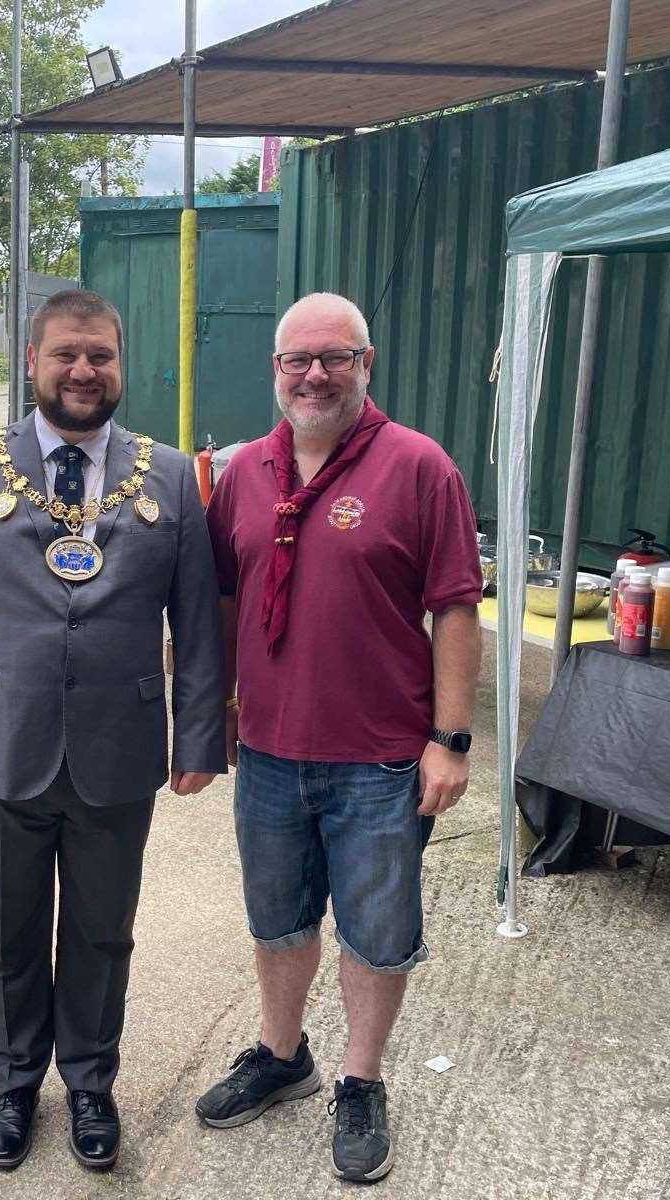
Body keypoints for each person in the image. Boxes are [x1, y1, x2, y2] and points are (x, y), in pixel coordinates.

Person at [0, 289, 224, 1172]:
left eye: (101, 357)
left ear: (121, 364)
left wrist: (199, 739)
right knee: (6, 930)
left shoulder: (170, 474)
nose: (84, 372)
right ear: (32, 361)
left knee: (103, 931)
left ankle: (89, 1083)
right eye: (67, 355)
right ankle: (11, 1082)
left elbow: (197, 622)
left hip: (119, 749)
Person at [198, 293, 483, 1182]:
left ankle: (361, 1081)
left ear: (367, 363)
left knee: (375, 932)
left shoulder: (419, 467)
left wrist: (452, 738)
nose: (314, 374)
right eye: (297, 360)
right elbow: (225, 597)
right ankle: (283, 1056)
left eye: (334, 357)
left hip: (383, 757)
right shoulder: (247, 470)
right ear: (275, 371)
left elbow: (456, 608)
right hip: (273, 754)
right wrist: (224, 706)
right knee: (278, 922)